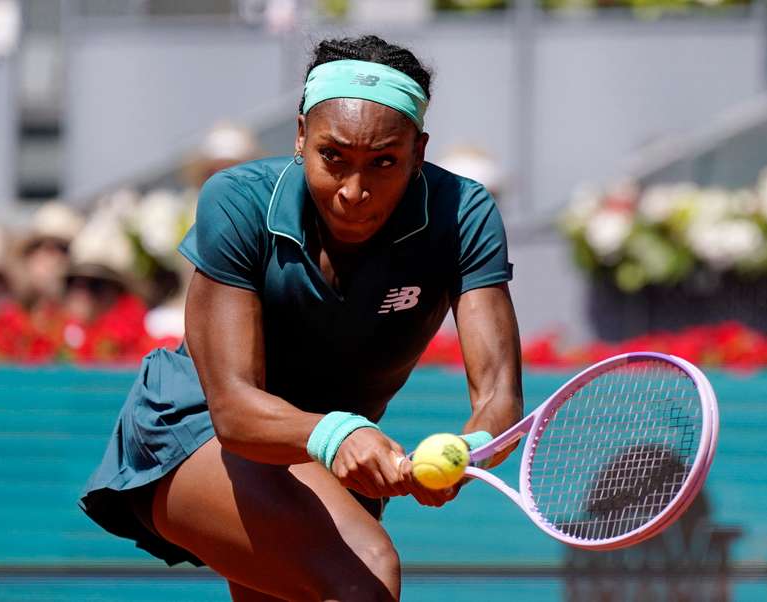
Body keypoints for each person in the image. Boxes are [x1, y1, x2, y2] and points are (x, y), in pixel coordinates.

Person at [80, 35, 524, 601]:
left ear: (419, 152)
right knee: (365, 572)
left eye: (384, 162)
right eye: (332, 157)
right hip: (199, 433)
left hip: (328, 457)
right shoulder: (237, 201)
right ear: (299, 136)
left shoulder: (464, 214)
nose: (354, 191)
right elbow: (234, 410)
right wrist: (341, 433)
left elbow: (498, 397)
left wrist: (466, 452)